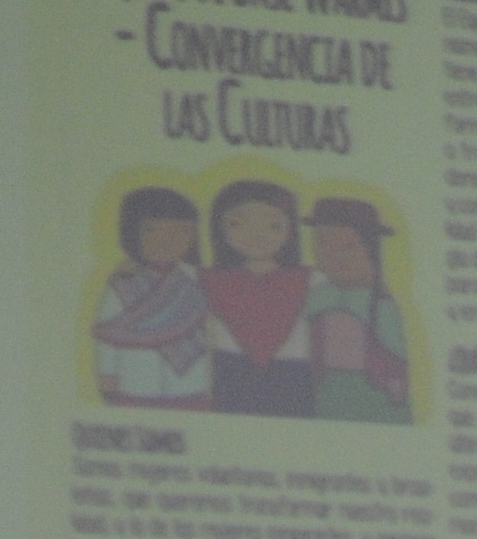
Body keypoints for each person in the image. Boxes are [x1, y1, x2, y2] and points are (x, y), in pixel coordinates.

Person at [90, 185, 214, 407]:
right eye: (151, 230)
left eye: (178, 231)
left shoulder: (200, 281)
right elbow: (107, 334)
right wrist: (107, 375)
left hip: (191, 384)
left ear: (193, 237)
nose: (164, 240)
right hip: (135, 382)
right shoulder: (122, 283)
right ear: (132, 233)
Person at [297, 197, 417, 423]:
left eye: (349, 246)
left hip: (375, 390)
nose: (333, 255)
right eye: (323, 244)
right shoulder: (316, 296)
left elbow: (396, 354)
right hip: (327, 387)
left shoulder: (382, 303)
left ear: (370, 249)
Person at [199, 181, 314, 419]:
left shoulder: (310, 280)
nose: (256, 235)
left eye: (273, 225)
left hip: (292, 376)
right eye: (237, 224)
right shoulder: (209, 280)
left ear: (290, 229)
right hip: (231, 373)